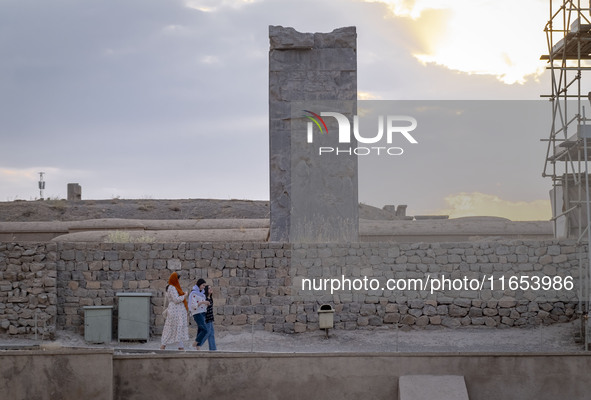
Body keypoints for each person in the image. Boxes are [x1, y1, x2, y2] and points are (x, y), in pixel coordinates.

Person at [160, 272, 189, 350]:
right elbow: (176, 300)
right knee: (172, 328)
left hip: (177, 312)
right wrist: (185, 295)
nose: (179, 281)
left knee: (177, 328)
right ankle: (163, 347)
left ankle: (181, 348)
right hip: (175, 312)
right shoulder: (172, 288)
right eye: (178, 279)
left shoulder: (174, 287)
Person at [188, 278, 209, 350]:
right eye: (203, 285)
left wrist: (206, 303)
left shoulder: (202, 294)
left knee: (200, 330)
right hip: (197, 313)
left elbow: (202, 305)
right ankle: (194, 344)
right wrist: (203, 302)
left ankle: (198, 347)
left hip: (202, 313)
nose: (204, 287)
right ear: (199, 284)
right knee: (205, 330)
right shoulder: (193, 293)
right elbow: (193, 305)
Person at [203, 285, 217, 351]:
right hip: (206, 319)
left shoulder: (210, 298)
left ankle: (213, 349)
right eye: (209, 288)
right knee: (206, 334)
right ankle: (198, 344)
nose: (211, 289)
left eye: (211, 287)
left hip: (210, 319)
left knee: (211, 334)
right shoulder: (205, 299)